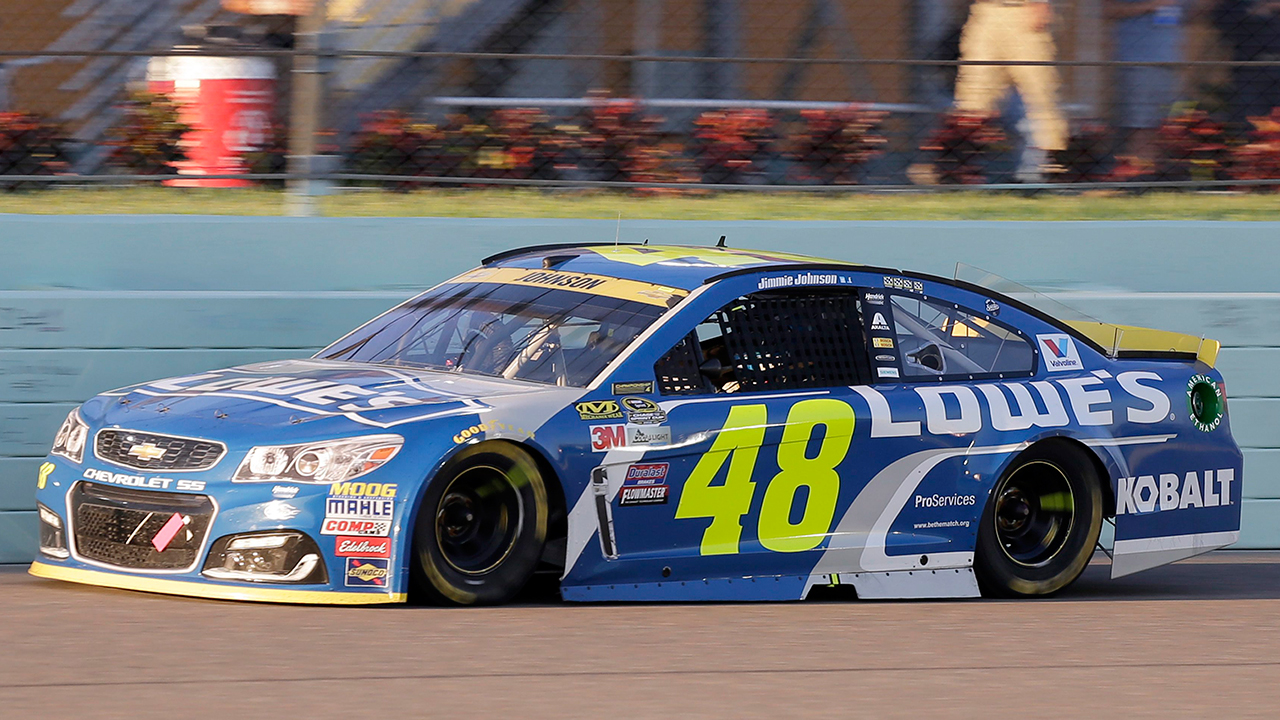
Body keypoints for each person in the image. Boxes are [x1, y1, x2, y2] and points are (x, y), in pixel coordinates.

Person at [953, 0, 1069, 182]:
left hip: (1025, 10)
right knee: (974, 94)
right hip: (986, 10)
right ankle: (964, 166)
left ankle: (1045, 167)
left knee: (1039, 91)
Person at [1214, 0, 1280, 129]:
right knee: (1249, 120)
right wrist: (1256, 13)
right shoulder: (1239, 4)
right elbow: (1222, 19)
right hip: (1251, 68)